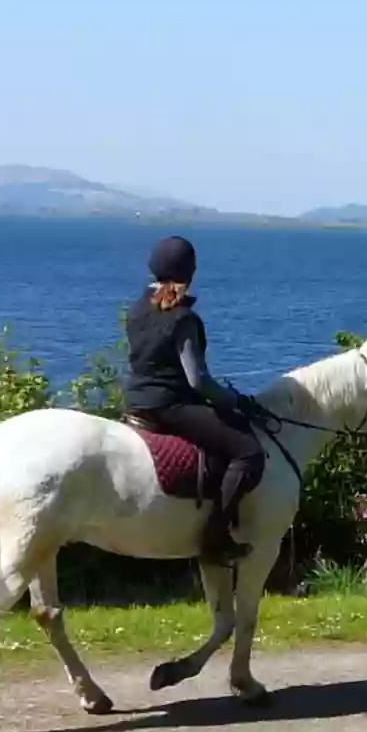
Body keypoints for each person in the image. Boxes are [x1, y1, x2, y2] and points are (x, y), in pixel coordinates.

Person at [122, 235, 268, 561]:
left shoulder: (135, 310)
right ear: (190, 273)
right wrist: (234, 400)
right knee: (248, 453)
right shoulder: (183, 318)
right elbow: (198, 380)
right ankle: (215, 537)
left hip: (136, 401)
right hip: (170, 407)